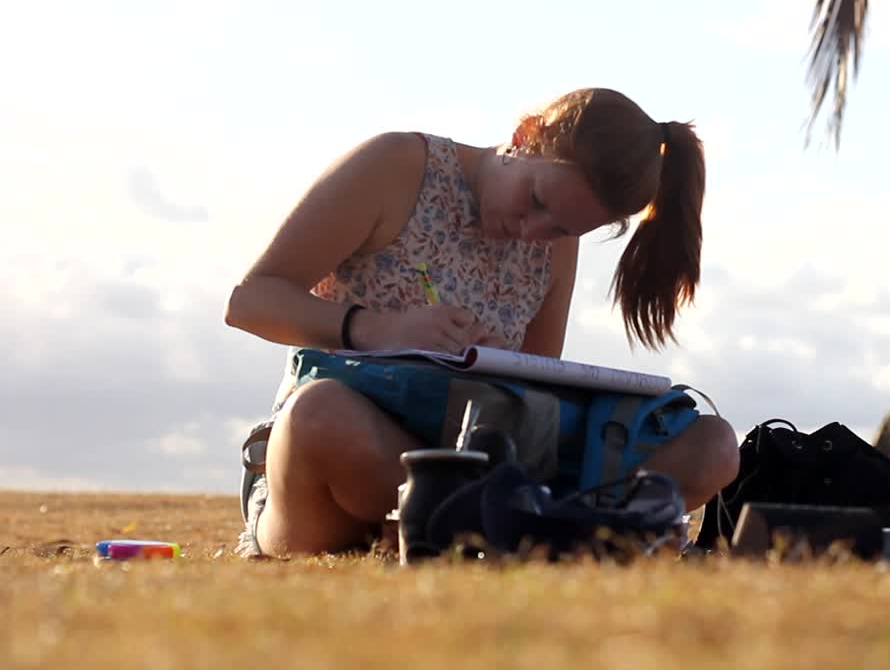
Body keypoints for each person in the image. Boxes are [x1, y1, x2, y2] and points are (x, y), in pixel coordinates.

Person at [224, 87, 739, 557]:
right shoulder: (396, 166)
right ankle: (544, 528)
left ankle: (480, 523)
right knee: (317, 415)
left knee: (712, 446)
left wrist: (502, 367)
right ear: (524, 136)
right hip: (347, 463)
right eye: (535, 200)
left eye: (560, 227)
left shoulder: (555, 243)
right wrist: (380, 330)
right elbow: (251, 301)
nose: (531, 231)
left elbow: (538, 387)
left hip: (481, 465)